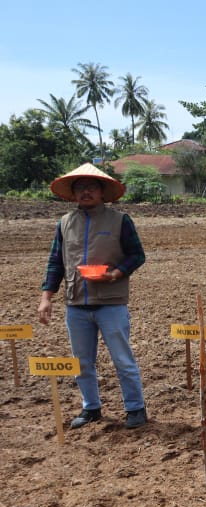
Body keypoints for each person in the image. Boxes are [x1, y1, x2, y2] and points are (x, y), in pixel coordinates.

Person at [37, 163, 148, 429]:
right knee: (82, 362)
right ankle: (91, 408)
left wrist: (116, 273)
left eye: (91, 187)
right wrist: (46, 297)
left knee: (122, 359)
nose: (85, 192)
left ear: (101, 191)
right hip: (76, 304)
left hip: (111, 303)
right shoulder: (65, 223)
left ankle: (135, 408)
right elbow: (56, 262)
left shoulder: (120, 220)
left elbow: (137, 255)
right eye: (80, 188)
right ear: (73, 193)